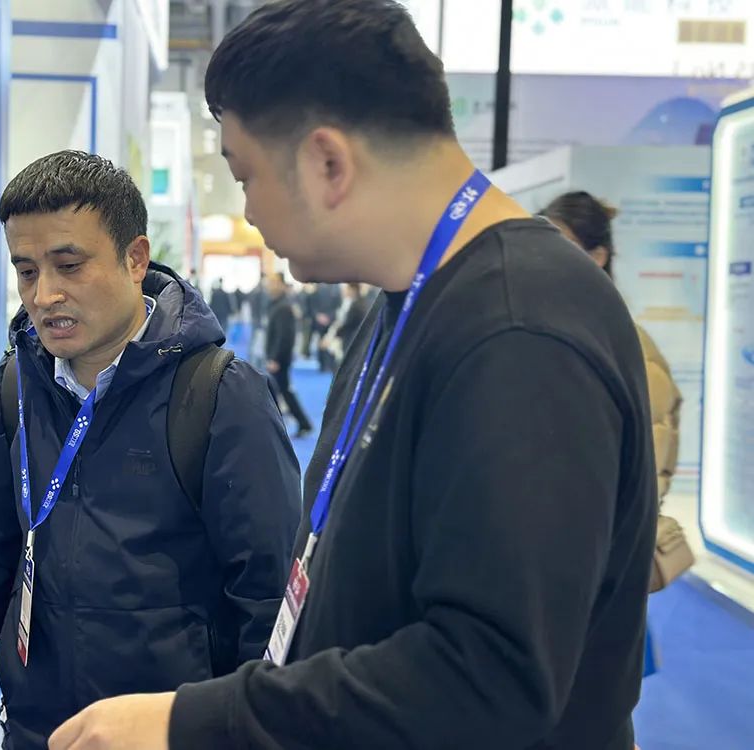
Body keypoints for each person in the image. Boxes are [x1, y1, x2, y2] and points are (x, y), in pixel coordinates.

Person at [46, 2, 656, 749]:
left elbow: (490, 677)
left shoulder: (520, 330)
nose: (250, 210)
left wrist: (197, 721)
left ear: (327, 164)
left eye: (246, 176)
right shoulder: (403, 304)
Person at [0, 151, 301, 750]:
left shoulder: (217, 393)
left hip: (171, 734)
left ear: (135, 259)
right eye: (27, 271)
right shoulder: (16, 387)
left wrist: (252, 728)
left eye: (69, 265)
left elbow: (267, 592)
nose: (45, 295)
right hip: (38, 731)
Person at [542, 190, 687, 681]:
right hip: (546, 571)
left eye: (560, 245)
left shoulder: (629, 347)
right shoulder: (544, 336)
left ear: (598, 255)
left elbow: (650, 469)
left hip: (599, 570)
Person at [265, 271, 314, 439]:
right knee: (282, 391)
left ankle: (301, 423)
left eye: (273, 282)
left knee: (283, 391)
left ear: (281, 284)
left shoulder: (284, 307)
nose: (270, 286)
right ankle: (298, 423)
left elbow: (284, 336)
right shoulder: (277, 304)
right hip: (277, 358)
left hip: (280, 359)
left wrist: (275, 358)